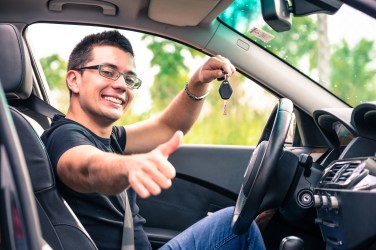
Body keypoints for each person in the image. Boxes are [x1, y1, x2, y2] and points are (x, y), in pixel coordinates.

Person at [41, 30, 265, 250]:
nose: (121, 85)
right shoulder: (64, 136)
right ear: (74, 80)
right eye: (108, 72)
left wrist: (198, 81)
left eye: (129, 78)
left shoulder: (110, 137)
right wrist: (129, 165)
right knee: (235, 227)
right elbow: (85, 168)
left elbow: (168, 126)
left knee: (237, 225)